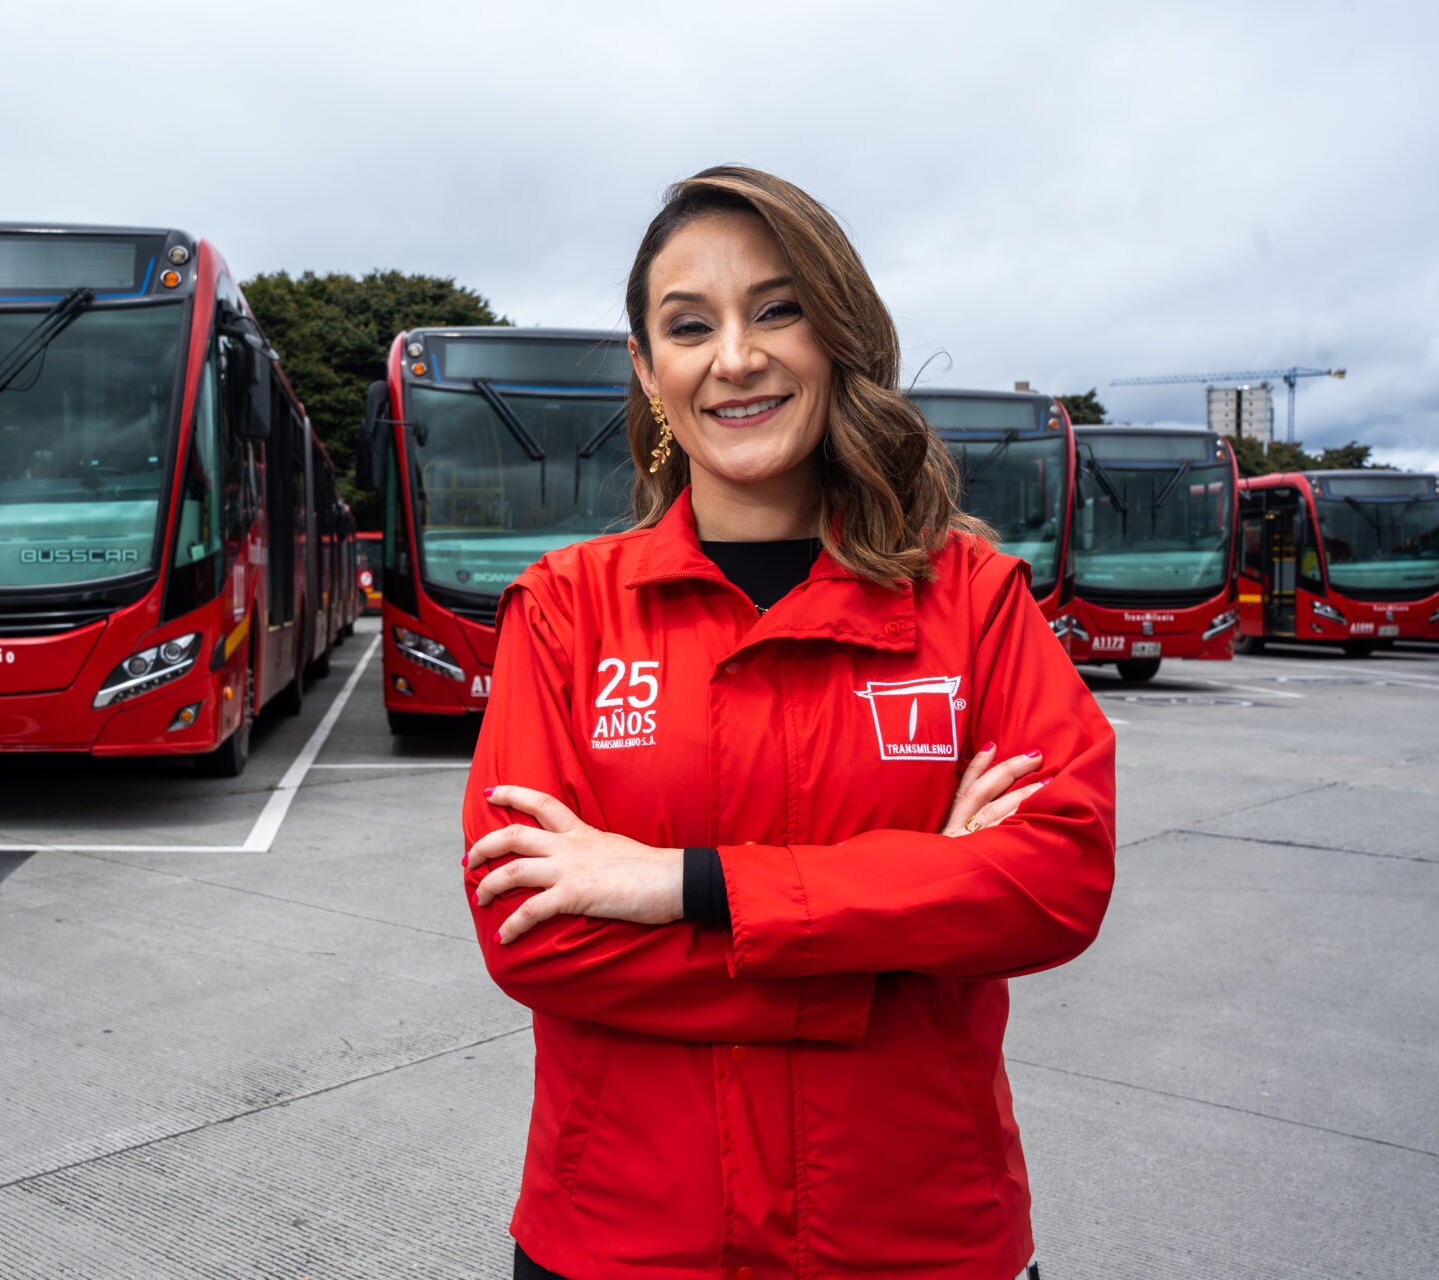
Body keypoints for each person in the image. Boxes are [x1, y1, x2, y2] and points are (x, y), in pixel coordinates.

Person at [461, 166, 1116, 1280]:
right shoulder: (566, 610)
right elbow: (537, 926)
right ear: (647, 369)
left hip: (918, 1236)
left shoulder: (969, 598)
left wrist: (682, 885)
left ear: (836, 334)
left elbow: (1055, 879)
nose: (737, 356)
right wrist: (909, 917)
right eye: (689, 325)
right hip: (625, 1238)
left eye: (778, 307)